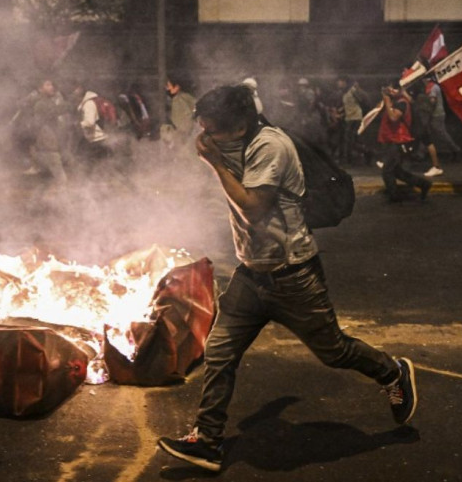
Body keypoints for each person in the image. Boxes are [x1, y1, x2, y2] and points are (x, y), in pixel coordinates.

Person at [157, 85, 418, 472]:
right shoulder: (233, 141)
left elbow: (253, 210)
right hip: (251, 274)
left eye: (214, 130)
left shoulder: (270, 147)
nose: (206, 137)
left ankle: (392, 372)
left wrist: (214, 162)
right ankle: (208, 441)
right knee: (219, 352)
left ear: (241, 124)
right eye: (204, 128)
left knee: (334, 351)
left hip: (292, 274)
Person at [377, 83, 433, 203]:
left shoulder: (402, 103)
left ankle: (394, 196)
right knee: (397, 171)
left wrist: (387, 101)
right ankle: (423, 184)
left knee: (387, 171)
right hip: (394, 140)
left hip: (399, 141)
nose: (391, 90)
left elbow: (393, 118)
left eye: (394, 88)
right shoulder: (396, 101)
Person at [424, 77, 461, 176]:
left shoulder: (432, 88)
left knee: (442, 134)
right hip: (435, 114)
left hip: (436, 114)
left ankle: (455, 149)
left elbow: (433, 101)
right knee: (432, 134)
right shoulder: (432, 86)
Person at [162, 73, 197, 148]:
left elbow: (189, 114)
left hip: (184, 132)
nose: (167, 88)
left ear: (177, 87)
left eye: (169, 86)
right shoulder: (177, 99)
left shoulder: (181, 99)